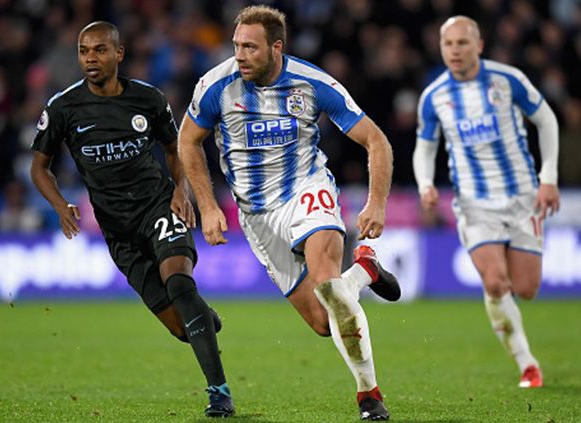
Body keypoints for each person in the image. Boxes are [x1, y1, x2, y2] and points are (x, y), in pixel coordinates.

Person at [178, 6, 401, 421]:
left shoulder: (312, 82)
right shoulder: (216, 85)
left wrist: (377, 203)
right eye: (236, 45)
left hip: (306, 189)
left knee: (329, 287)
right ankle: (365, 270)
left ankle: (368, 394)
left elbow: (376, 140)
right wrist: (207, 205)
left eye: (250, 47)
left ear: (276, 48)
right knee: (322, 321)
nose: (239, 55)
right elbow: (188, 140)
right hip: (257, 216)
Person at [29, 21, 234, 417]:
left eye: (100, 50)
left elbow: (175, 149)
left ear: (118, 54)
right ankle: (202, 321)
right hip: (117, 229)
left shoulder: (148, 99)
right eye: (84, 51)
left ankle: (219, 391)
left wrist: (181, 190)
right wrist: (59, 205)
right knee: (181, 326)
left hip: (157, 207)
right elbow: (40, 167)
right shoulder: (63, 108)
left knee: (179, 281)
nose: (91, 58)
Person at [413, 16, 560, 388]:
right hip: (474, 203)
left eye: (463, 43)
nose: (456, 50)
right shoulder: (435, 96)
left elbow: (546, 121)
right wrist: (426, 183)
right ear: (441, 48)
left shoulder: (506, 79)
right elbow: (425, 148)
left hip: (523, 197)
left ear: (478, 45)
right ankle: (528, 365)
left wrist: (549, 178)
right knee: (496, 283)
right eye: (449, 44)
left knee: (526, 289)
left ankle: (502, 301)